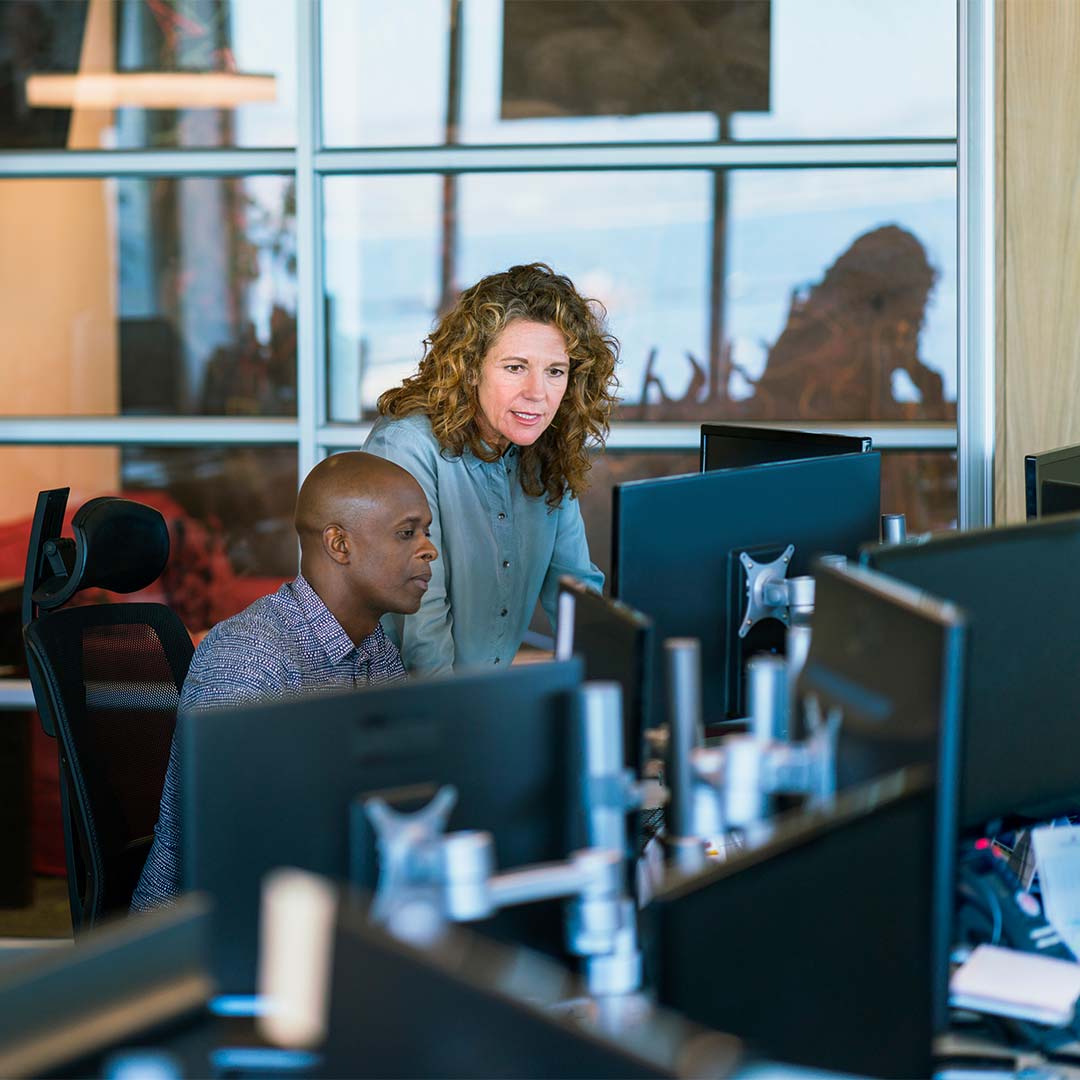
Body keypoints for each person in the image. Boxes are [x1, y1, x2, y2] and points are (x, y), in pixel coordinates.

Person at [131, 451, 437, 910]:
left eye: (426, 532)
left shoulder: (375, 648)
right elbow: (225, 850)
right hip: (213, 929)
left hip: (321, 901)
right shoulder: (250, 659)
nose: (429, 549)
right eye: (407, 533)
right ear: (339, 544)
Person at [363, 262, 619, 677]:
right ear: (470, 367)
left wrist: (616, 688)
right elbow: (423, 632)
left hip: (483, 697)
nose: (537, 393)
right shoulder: (407, 446)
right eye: (515, 367)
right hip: (403, 703)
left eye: (555, 372)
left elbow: (576, 592)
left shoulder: (546, 450)